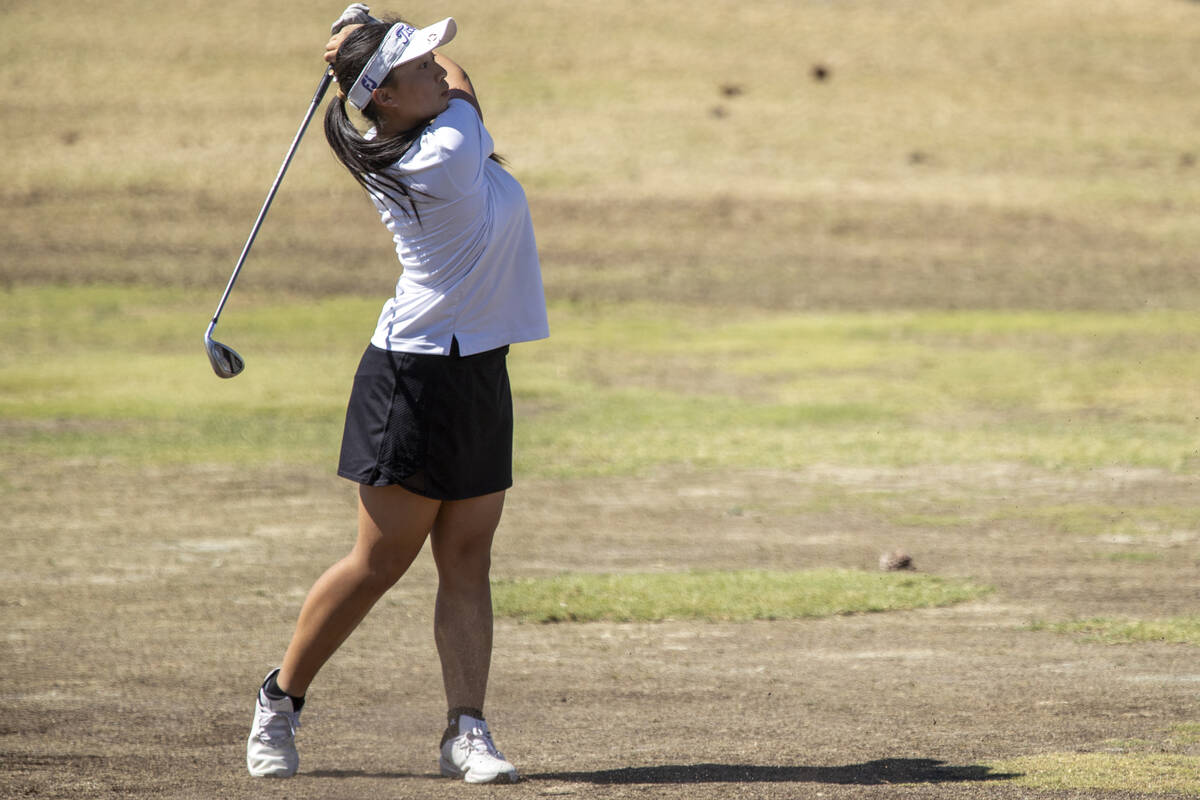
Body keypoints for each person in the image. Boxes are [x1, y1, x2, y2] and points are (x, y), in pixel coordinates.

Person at [245, 5, 549, 785]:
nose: (435, 72)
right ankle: (280, 699)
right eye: (415, 68)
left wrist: (367, 38)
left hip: (478, 367)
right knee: (379, 564)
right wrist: (371, 31)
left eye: (427, 64)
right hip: (414, 377)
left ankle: (466, 731)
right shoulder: (444, 148)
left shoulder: (417, 129)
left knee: (468, 559)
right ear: (385, 99)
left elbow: (439, 76)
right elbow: (464, 83)